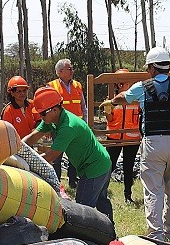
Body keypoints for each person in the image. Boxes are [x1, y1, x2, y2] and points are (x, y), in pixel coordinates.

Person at [101, 47, 170, 242]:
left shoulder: (143, 86)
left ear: (152, 67)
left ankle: (156, 235)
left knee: (153, 191)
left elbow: (124, 97)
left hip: (153, 144)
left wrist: (111, 102)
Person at [23, 86, 113, 222]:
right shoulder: (53, 120)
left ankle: (88, 238)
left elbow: (51, 156)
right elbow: (32, 137)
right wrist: (18, 149)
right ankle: (110, 234)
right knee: (102, 202)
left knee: (82, 212)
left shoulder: (68, 127)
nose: (40, 117)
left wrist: (26, 165)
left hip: (94, 168)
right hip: (102, 163)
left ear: (54, 109)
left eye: (42, 114)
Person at [47, 59, 87, 188]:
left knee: (74, 155)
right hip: (58, 128)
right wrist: (48, 127)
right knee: (56, 155)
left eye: (71, 68)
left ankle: (73, 181)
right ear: (60, 72)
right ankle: (56, 182)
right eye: (69, 69)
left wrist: (85, 123)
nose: (72, 71)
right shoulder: (51, 86)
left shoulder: (78, 85)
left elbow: (83, 106)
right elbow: (47, 109)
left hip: (76, 128)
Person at [103, 69, 141, 204]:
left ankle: (128, 195)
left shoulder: (136, 100)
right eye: (128, 83)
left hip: (132, 138)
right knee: (109, 165)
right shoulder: (112, 100)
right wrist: (108, 110)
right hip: (114, 137)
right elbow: (110, 119)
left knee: (128, 166)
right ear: (120, 85)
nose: (131, 85)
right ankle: (102, 191)